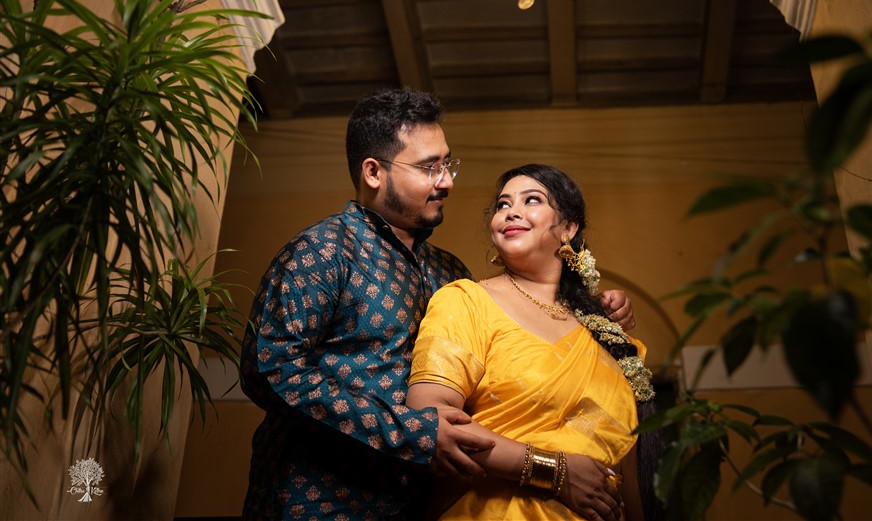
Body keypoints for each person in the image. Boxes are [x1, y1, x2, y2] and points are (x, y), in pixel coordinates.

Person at [239, 89, 635, 521]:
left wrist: (591, 309)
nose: (446, 181)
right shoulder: (324, 250)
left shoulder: (448, 270)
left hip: (421, 504)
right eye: (429, 167)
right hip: (320, 501)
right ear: (374, 172)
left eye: (447, 164)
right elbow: (270, 369)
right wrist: (411, 432)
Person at [407, 163, 659, 521]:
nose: (512, 211)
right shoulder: (466, 302)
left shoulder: (603, 331)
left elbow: (627, 462)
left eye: (532, 200)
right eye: (503, 204)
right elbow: (429, 419)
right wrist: (554, 471)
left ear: (568, 228)